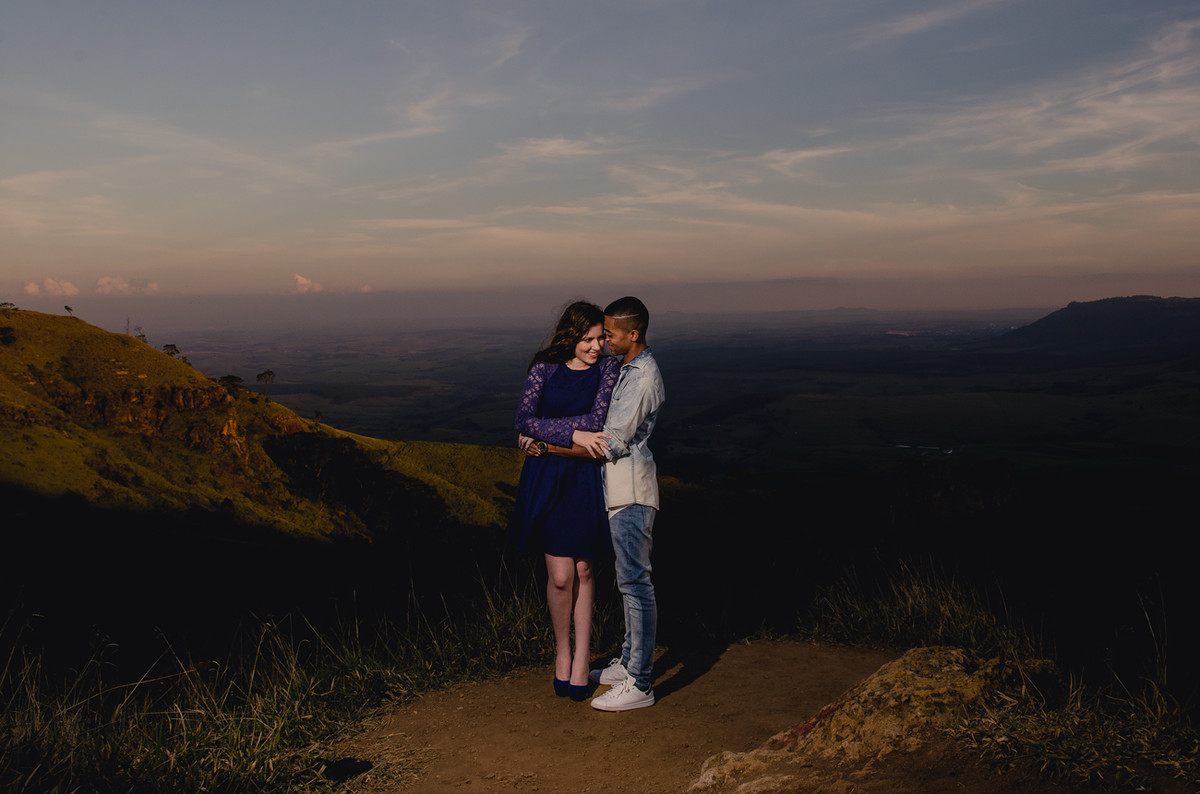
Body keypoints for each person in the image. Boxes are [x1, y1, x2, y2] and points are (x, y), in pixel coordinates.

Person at [547, 296, 665, 712]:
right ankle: (630, 662)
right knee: (627, 582)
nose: (605, 343)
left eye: (611, 334)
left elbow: (611, 443)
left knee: (635, 584)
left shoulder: (642, 378)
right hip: (617, 491)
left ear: (633, 334)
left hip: (631, 491)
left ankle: (640, 683)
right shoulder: (626, 370)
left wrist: (548, 447)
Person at [512, 301, 621, 701]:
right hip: (547, 478)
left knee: (585, 570)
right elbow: (523, 421)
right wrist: (572, 436)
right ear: (570, 335)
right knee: (560, 576)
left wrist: (545, 439)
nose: (596, 347)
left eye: (601, 338)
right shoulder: (543, 367)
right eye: (588, 339)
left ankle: (582, 659)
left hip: (584, 478)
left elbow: (598, 420)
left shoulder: (608, 369)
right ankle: (561, 651)